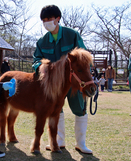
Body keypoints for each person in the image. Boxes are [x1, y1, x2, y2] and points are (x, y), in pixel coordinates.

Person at [32, 5, 92, 154]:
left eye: (49, 19)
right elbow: (36, 60)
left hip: (75, 82)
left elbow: (83, 57)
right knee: (56, 110)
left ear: (58, 19)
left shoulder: (72, 35)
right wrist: (40, 66)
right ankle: (59, 141)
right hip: (54, 85)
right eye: (44, 20)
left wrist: (87, 79)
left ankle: (81, 143)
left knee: (80, 109)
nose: (46, 23)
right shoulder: (41, 41)